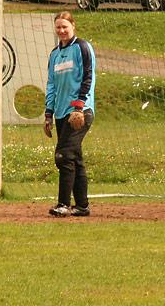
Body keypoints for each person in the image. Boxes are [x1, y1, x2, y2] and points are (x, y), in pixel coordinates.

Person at [44, 11, 96, 217]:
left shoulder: (82, 47)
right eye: (58, 27)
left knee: (63, 155)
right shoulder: (54, 54)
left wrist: (79, 106)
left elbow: (88, 76)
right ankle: (82, 206)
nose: (61, 30)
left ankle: (63, 204)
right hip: (61, 113)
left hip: (80, 112)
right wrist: (48, 113)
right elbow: (51, 84)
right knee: (74, 158)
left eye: (65, 26)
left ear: (73, 26)